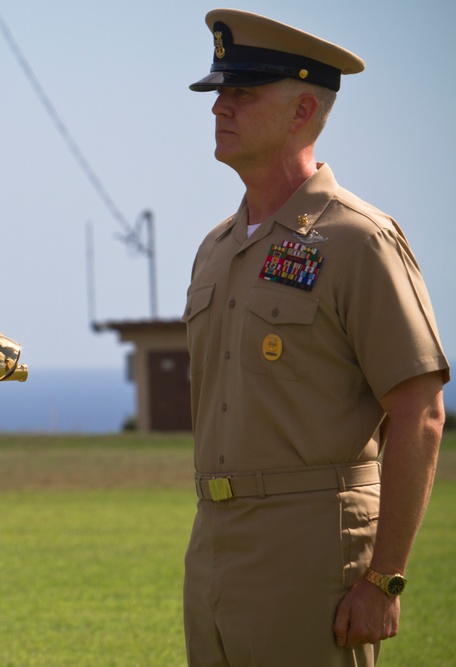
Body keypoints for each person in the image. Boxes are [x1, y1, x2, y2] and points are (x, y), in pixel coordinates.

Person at [182, 9, 449, 666]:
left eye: (243, 92)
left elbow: (419, 413)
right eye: (220, 91)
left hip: (314, 550)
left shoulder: (359, 240)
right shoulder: (215, 248)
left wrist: (384, 578)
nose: (220, 105)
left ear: (303, 110)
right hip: (213, 540)